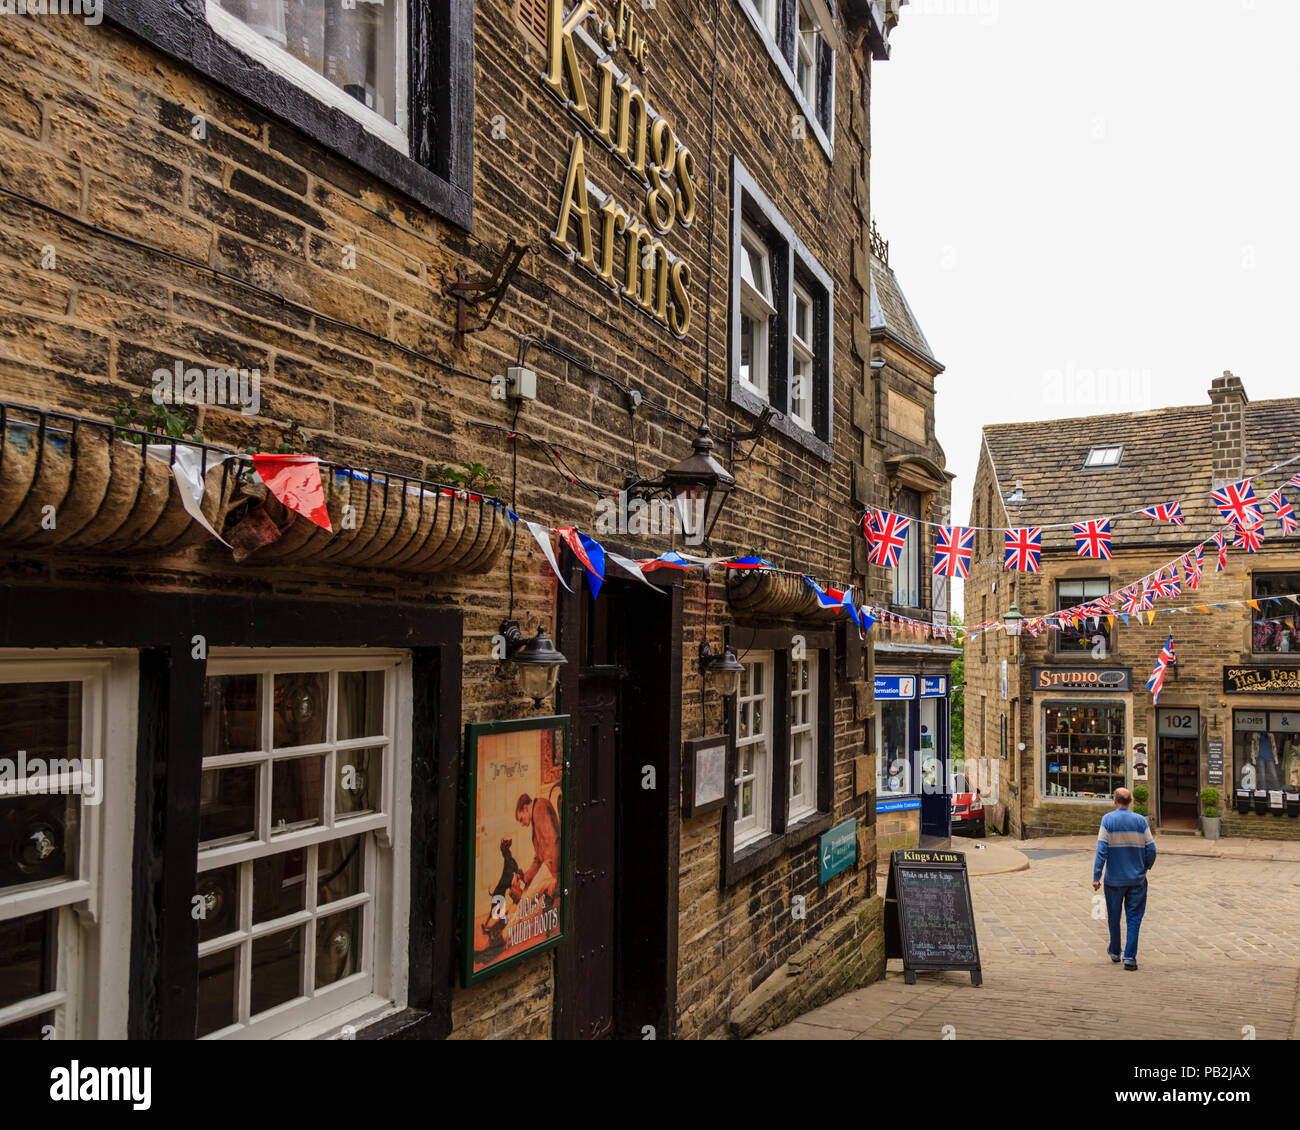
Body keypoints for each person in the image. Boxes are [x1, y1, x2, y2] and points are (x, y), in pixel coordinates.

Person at [1092, 787, 1156, 970]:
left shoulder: (1108, 820)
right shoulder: (1140, 822)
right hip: (1136, 880)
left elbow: (1101, 851)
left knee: (1114, 916)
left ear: (1114, 800)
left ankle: (1114, 950)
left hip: (1113, 880)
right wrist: (1144, 867)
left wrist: (1097, 876)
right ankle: (1129, 957)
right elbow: (1151, 849)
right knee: (1134, 918)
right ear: (1131, 801)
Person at [513, 792, 561, 901]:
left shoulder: (539, 808)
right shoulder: (536, 813)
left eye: (521, 819)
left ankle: (513, 918)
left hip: (552, 866)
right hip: (549, 865)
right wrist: (524, 878)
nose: (522, 824)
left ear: (525, 808)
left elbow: (553, 840)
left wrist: (554, 876)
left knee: (525, 901)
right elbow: (538, 859)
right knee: (526, 898)